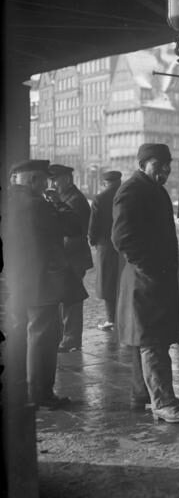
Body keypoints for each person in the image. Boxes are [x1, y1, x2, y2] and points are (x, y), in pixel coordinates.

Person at [112, 143, 179, 423]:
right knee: (152, 342)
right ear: (142, 164)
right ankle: (164, 402)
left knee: (144, 339)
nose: (165, 170)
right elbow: (122, 238)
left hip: (149, 279)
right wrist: (150, 267)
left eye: (167, 165)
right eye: (158, 165)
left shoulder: (152, 188)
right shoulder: (132, 190)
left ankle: (141, 395)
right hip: (145, 280)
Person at [6, 159, 86, 409]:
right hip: (41, 282)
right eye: (44, 180)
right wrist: (57, 201)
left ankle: (18, 389)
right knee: (43, 336)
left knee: (19, 333)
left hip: (14, 281)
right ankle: (41, 393)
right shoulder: (39, 204)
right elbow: (74, 226)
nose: (47, 185)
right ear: (34, 180)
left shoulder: (8, 202)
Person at [48, 164, 92, 352]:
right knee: (66, 298)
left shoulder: (74, 200)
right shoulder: (68, 197)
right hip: (69, 257)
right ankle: (67, 336)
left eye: (55, 180)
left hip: (72, 258)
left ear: (66, 179)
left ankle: (71, 338)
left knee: (72, 300)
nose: (53, 184)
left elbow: (74, 233)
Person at [88, 170, 123, 331]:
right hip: (124, 245)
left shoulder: (100, 199)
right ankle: (123, 318)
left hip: (105, 245)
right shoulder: (126, 194)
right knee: (122, 281)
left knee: (107, 283)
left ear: (104, 183)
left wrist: (93, 240)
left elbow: (93, 224)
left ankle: (111, 319)